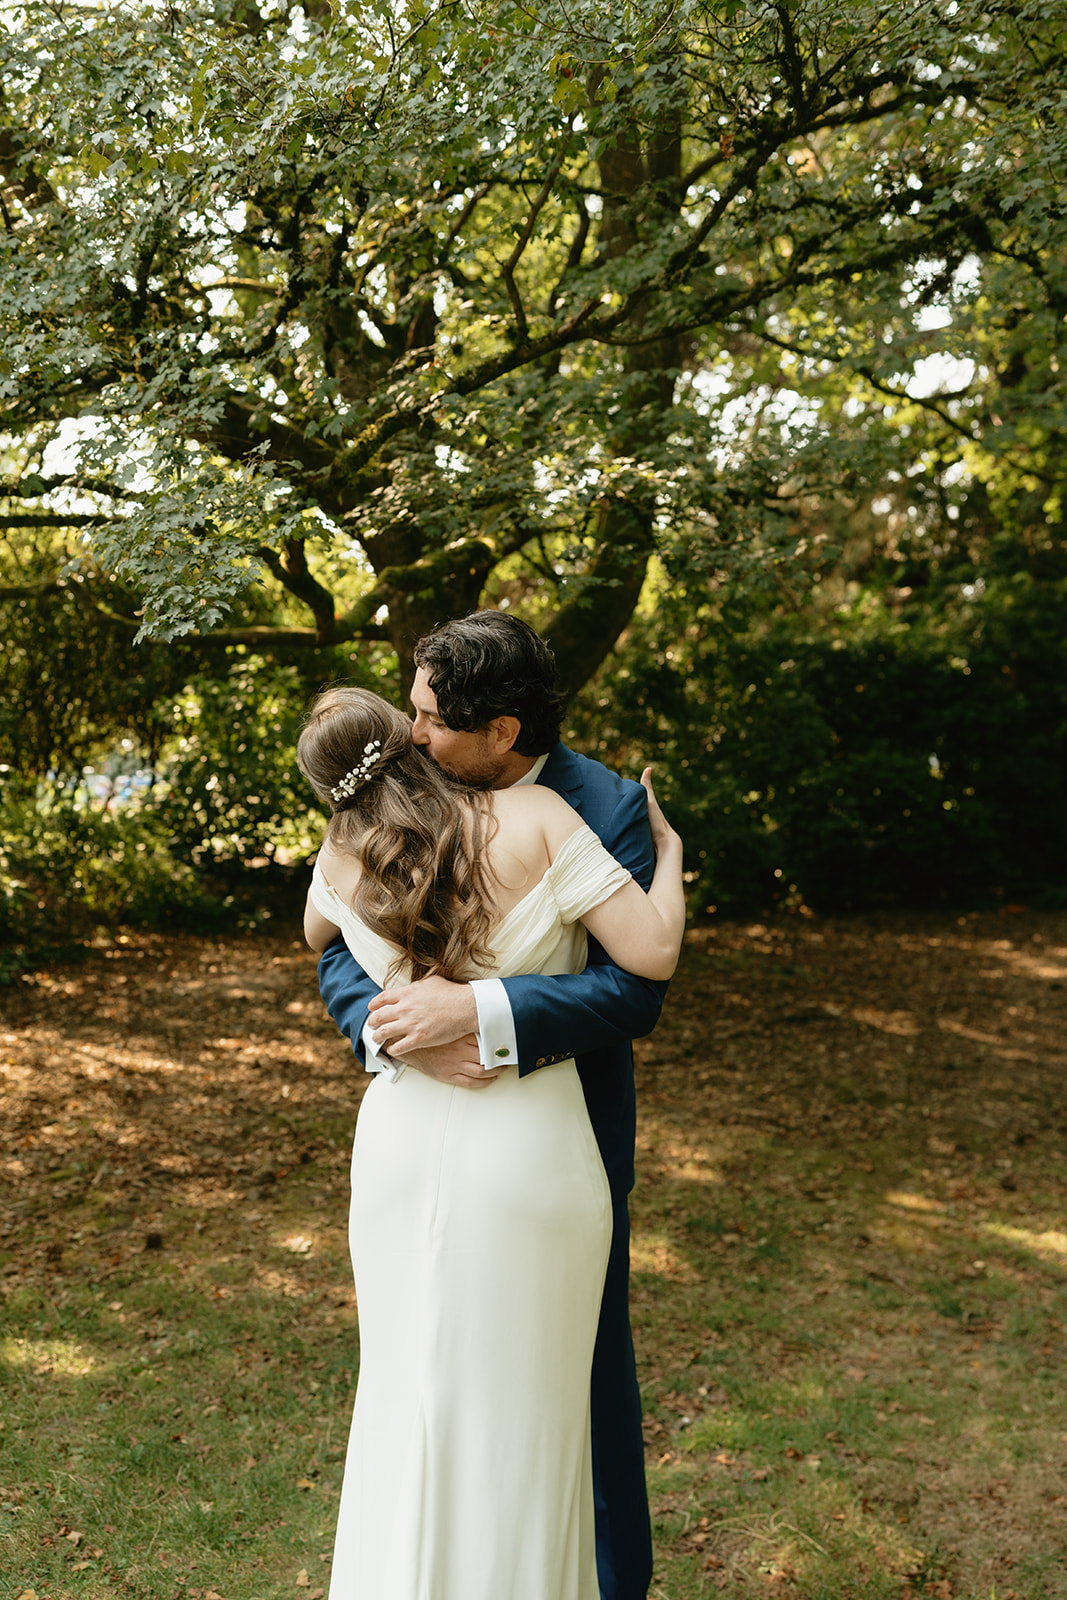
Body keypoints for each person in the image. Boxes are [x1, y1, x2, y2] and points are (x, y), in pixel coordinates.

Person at [298, 679, 683, 1600]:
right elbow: (653, 957)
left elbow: (317, 932)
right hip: (525, 1139)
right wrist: (667, 856)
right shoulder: (538, 816)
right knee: (523, 1412)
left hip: (399, 1143)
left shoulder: (350, 848)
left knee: (408, 1392)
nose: (427, 727)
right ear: (406, 738)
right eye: (417, 720)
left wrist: (344, 839)